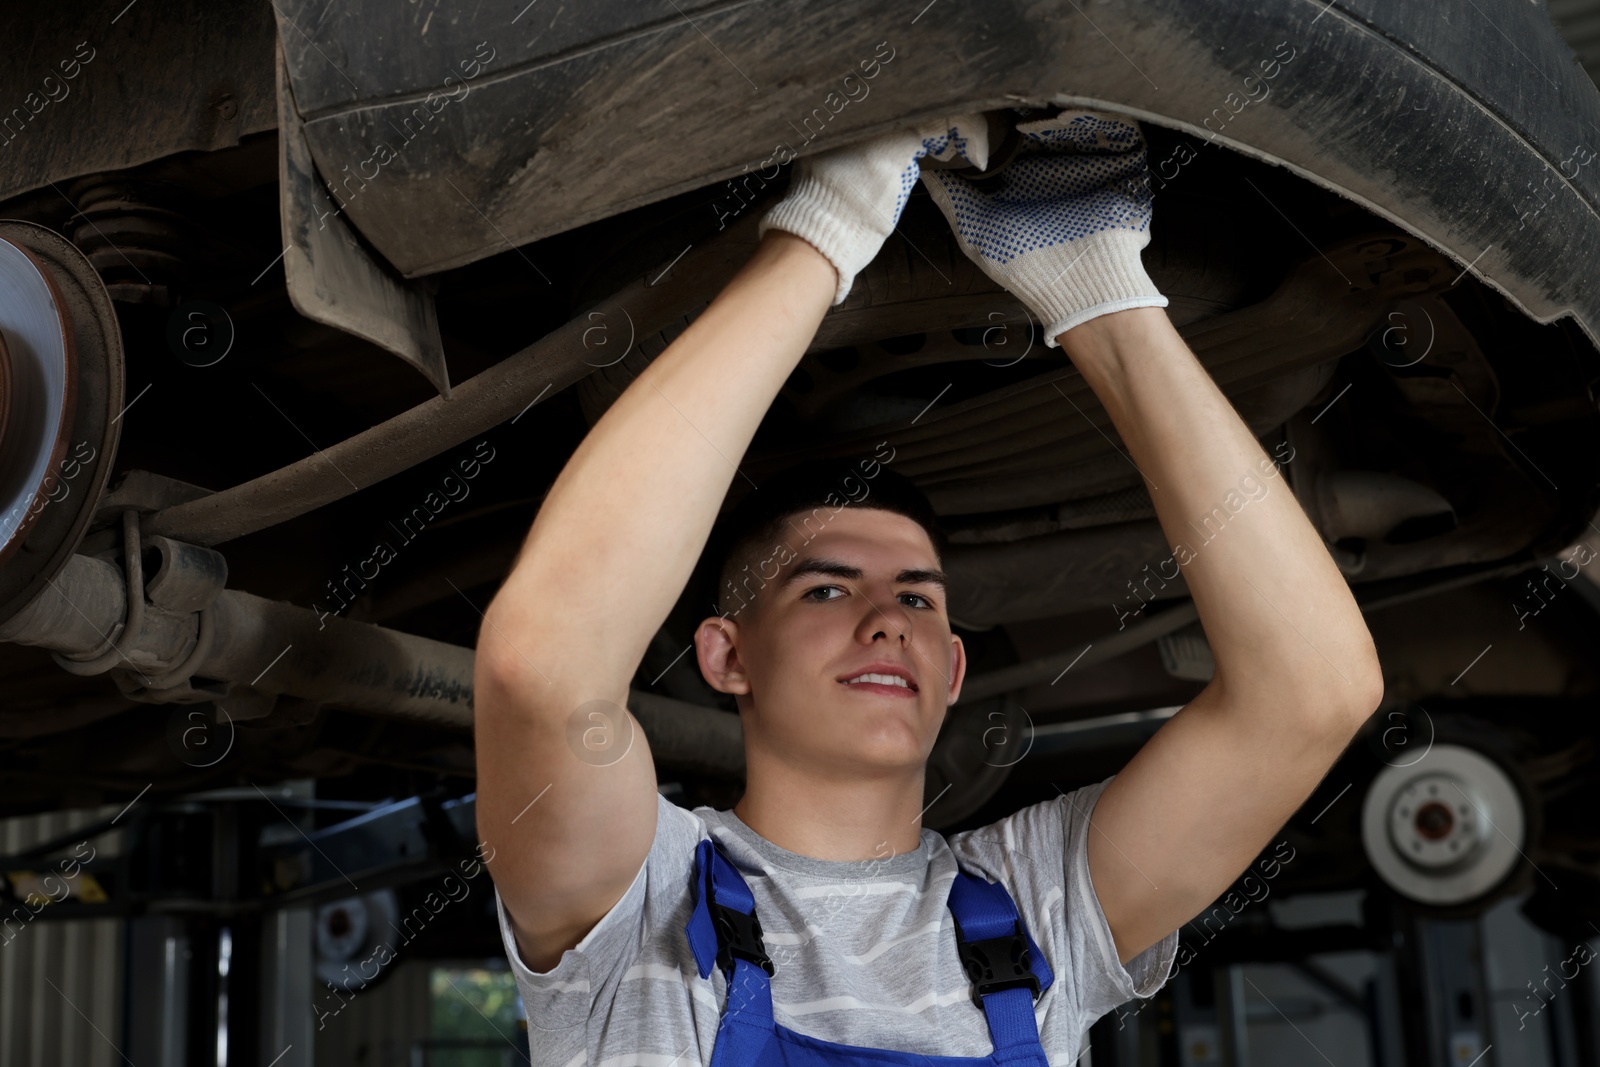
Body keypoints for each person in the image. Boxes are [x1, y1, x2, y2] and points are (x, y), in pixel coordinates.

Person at [472, 107, 1384, 1065]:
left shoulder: (1039, 906)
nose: (884, 624)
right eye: (824, 591)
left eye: (916, 598)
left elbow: (1312, 690)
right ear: (725, 654)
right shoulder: (643, 898)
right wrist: (830, 224)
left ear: (953, 667)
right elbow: (543, 667)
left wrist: (1101, 286)